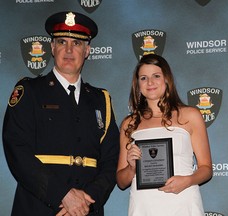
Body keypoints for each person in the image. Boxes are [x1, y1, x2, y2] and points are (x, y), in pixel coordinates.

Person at [2, 11, 119, 216]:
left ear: (87, 51)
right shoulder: (29, 91)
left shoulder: (101, 100)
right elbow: (17, 150)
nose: (69, 49)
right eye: (62, 41)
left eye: (77, 43)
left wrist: (88, 200)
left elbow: (111, 160)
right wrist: (62, 194)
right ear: (52, 47)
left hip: (87, 209)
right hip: (37, 207)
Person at [116, 54, 212, 216]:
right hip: (144, 207)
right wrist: (132, 168)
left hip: (183, 203)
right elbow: (121, 181)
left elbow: (206, 168)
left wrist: (187, 181)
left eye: (156, 76)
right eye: (143, 78)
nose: (150, 82)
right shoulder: (129, 123)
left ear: (166, 79)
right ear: (137, 84)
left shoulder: (190, 116)